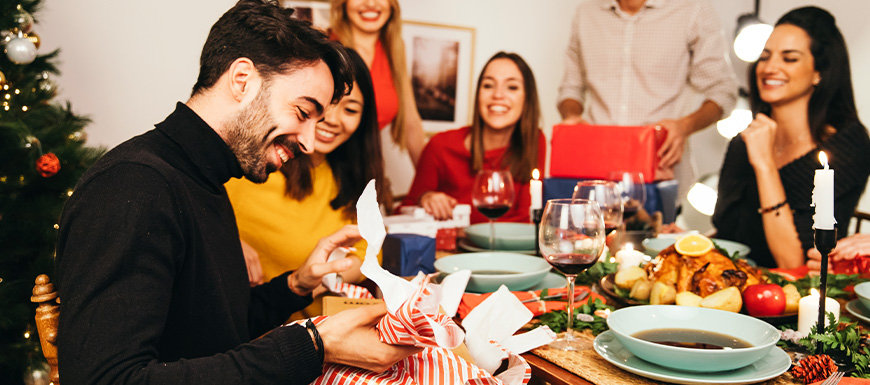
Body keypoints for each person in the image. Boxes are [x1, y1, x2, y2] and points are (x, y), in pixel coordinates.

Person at [54, 1, 419, 384]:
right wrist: (312, 344)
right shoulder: (134, 185)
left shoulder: (206, 179)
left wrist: (295, 285)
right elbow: (105, 379)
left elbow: (217, 332)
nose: (311, 142)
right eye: (302, 112)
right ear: (242, 80)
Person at [225, 49, 386, 311]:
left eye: (351, 109)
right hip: (253, 334)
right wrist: (228, 243)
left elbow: (370, 249)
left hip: (322, 332)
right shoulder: (254, 165)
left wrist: (327, 276)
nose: (332, 119)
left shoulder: (351, 177)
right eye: (325, 104)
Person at [713, 6, 870, 269]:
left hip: (793, 297)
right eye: (764, 57)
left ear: (819, 72)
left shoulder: (846, 145)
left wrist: (765, 166)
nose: (770, 67)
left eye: (789, 58)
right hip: (733, 285)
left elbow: (793, 262)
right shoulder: (744, 142)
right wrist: (686, 242)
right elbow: (727, 236)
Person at [556, 0, 737, 181]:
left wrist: (684, 126)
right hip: (594, 170)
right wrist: (572, 117)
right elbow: (570, 89)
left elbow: (722, 90)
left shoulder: (692, 10)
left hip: (660, 172)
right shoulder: (586, 13)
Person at [402, 52, 546, 224]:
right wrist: (426, 199)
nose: (498, 95)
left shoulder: (534, 140)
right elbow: (402, 213)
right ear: (478, 94)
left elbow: (526, 218)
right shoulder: (440, 146)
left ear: (527, 98)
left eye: (512, 87)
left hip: (513, 250)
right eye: (488, 85)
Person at [330, 0, 425, 197]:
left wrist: (429, 184)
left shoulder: (395, 49)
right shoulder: (324, 44)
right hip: (324, 170)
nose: (371, 4)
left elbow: (411, 123)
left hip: (366, 171)